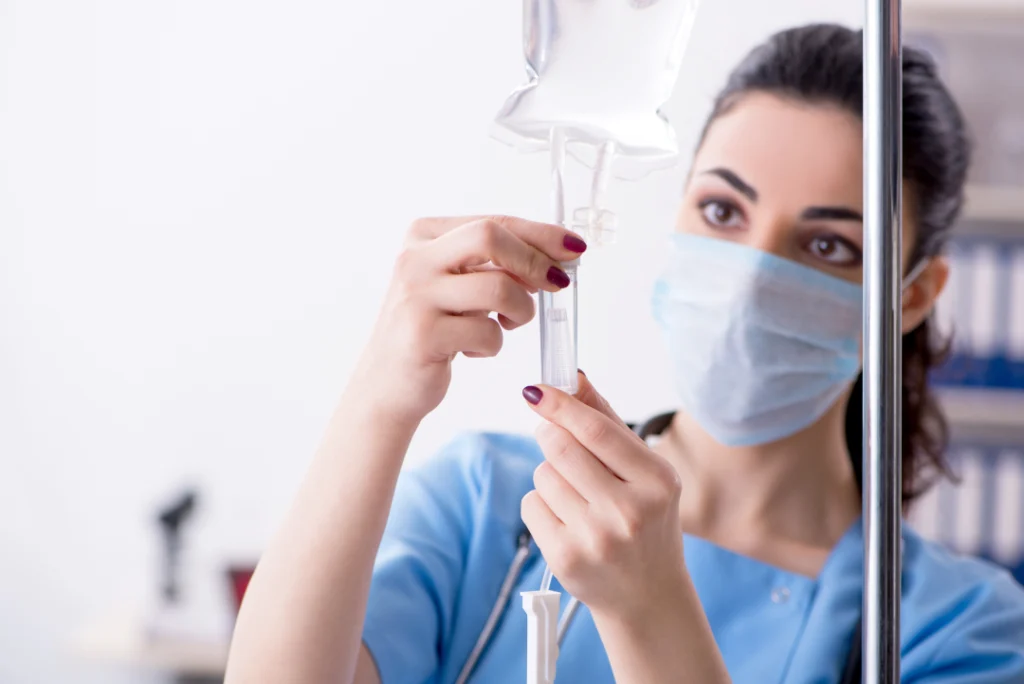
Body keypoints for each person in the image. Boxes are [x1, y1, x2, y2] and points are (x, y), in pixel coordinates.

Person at [225, 24, 1024, 684]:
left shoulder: (951, 628)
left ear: (913, 295)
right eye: (722, 209)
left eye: (827, 243)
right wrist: (380, 394)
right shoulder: (488, 505)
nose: (749, 279)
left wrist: (652, 614)